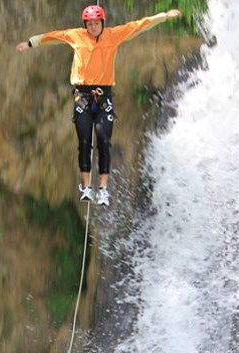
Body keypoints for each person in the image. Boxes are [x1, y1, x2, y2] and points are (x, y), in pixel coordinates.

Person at [16, 5, 182, 206]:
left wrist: (164, 16)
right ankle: (86, 187)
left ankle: (103, 189)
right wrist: (30, 43)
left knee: (104, 141)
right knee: (85, 141)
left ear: (102, 23)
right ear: (85, 24)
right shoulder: (75, 35)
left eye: (96, 23)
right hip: (82, 95)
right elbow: (51, 37)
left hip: (104, 97)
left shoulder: (113, 35)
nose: (93, 27)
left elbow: (139, 25)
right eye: (90, 24)